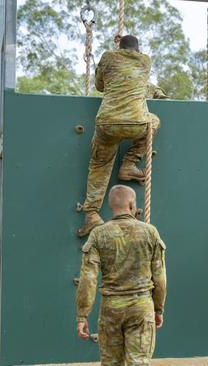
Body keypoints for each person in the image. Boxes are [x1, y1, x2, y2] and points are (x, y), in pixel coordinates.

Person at [78, 35, 160, 237]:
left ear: (119, 46)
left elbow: (100, 86)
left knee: (99, 165)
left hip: (108, 123)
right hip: (136, 123)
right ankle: (129, 164)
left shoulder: (107, 57)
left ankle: (91, 215)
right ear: (137, 49)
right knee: (154, 121)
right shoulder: (145, 61)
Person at [75, 185, 167, 364]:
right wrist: (158, 309)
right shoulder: (150, 232)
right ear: (132, 204)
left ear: (111, 206)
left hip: (111, 310)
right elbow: (160, 277)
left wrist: (82, 315)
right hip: (141, 308)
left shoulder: (98, 234)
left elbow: (88, 279)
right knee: (139, 362)